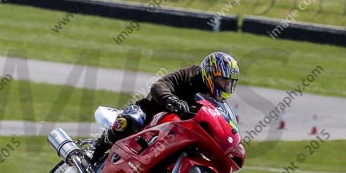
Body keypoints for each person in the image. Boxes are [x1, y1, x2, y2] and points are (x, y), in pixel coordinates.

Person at [88, 51, 240, 164]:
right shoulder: (190, 75)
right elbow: (159, 85)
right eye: (223, 81)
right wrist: (171, 100)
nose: (226, 86)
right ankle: (94, 152)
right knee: (131, 121)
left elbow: (221, 122)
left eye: (229, 83)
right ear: (211, 73)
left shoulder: (216, 102)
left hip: (180, 129)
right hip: (153, 112)